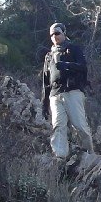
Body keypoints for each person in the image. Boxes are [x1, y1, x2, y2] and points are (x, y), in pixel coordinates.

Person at [41, 22, 94, 158]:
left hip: (73, 91)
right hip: (55, 94)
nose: (54, 36)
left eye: (57, 33)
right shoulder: (48, 56)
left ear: (64, 33)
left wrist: (67, 65)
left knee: (80, 125)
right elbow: (46, 82)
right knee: (58, 126)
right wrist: (44, 104)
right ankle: (60, 157)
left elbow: (83, 67)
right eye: (51, 34)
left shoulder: (73, 49)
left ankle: (89, 154)